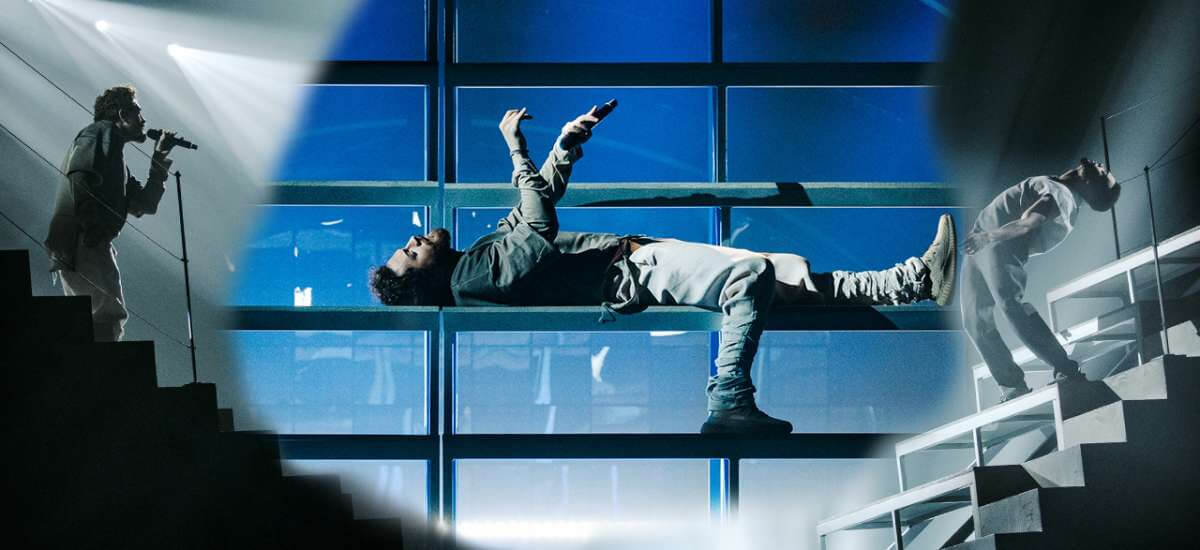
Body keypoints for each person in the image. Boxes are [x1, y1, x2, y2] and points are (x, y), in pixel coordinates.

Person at [370, 106, 957, 434]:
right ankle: (728, 399)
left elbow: (535, 205)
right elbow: (539, 222)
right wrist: (514, 148)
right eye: (410, 252)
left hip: (637, 261)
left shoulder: (477, 259)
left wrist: (564, 147)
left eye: (408, 243)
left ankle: (915, 281)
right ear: (426, 279)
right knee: (751, 275)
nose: (415, 239)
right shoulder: (471, 277)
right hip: (635, 271)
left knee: (790, 282)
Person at [962, 158, 1121, 402]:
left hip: (999, 245)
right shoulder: (1055, 184)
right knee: (974, 321)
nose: (1100, 164)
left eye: (1102, 171)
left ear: (1091, 185)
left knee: (1011, 306)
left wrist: (988, 237)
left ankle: (1066, 369)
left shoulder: (1062, 195)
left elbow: (1029, 223)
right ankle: (1012, 385)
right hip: (981, 247)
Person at [44, 85, 178, 342]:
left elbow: (144, 204)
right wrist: (92, 226)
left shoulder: (116, 159)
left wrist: (159, 157)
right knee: (105, 314)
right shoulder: (98, 133)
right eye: (138, 112)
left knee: (100, 315)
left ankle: (97, 362)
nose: (143, 120)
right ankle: (103, 365)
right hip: (84, 240)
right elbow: (80, 177)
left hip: (88, 240)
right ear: (122, 114)